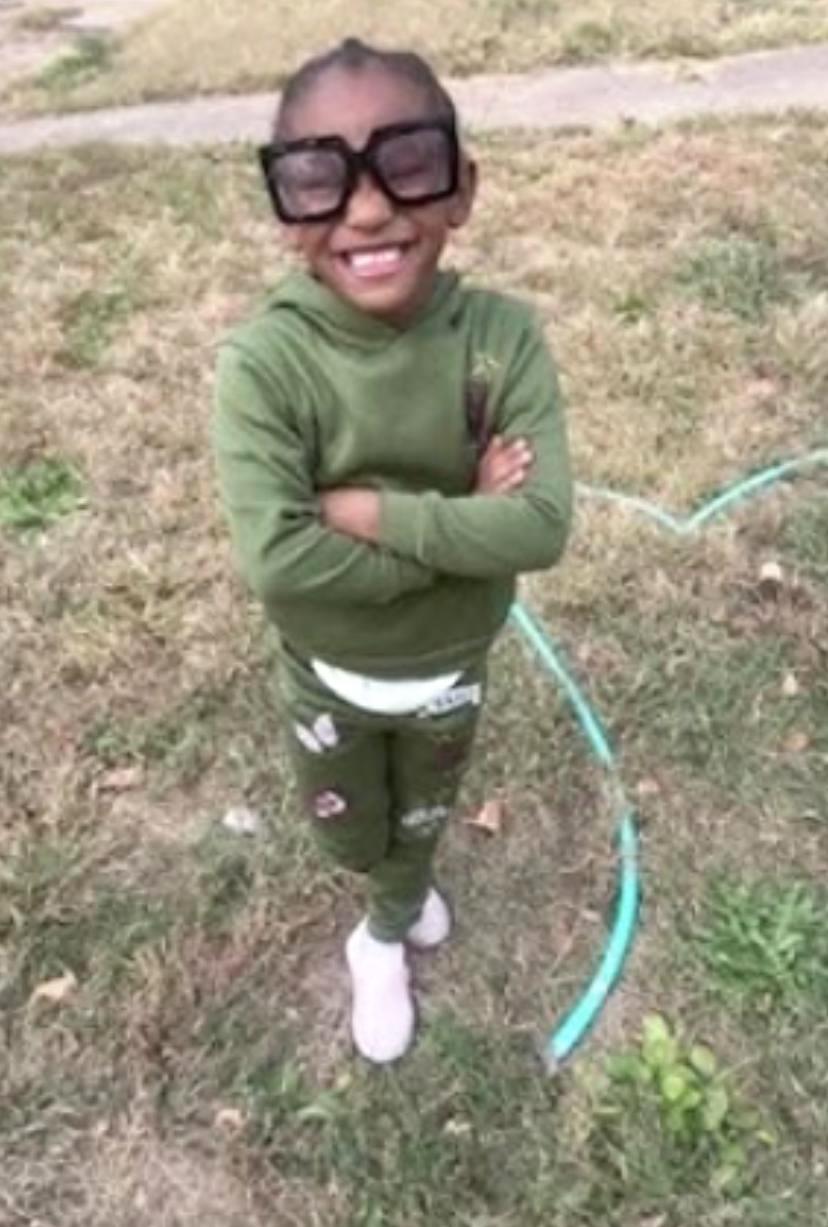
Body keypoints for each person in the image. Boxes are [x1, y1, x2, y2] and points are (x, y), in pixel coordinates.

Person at [212, 37, 572, 1064]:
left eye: (408, 162)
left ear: (463, 188)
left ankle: (382, 932)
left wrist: (368, 511)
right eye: (317, 177)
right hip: (326, 679)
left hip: (451, 671)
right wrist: (463, 521)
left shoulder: (502, 339)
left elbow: (539, 526)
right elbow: (281, 563)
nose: (368, 210)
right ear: (285, 210)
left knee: (423, 817)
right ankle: (385, 891)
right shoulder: (264, 365)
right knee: (350, 831)